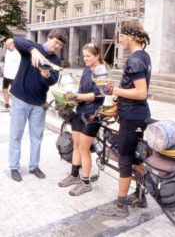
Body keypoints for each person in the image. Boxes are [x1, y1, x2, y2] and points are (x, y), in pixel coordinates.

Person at [99, 20, 151, 217]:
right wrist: (119, 95)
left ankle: (121, 206)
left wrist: (113, 89)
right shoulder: (143, 56)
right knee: (136, 157)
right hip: (138, 115)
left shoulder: (135, 59)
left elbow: (140, 93)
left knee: (126, 159)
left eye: (121, 35)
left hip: (132, 117)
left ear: (130, 36)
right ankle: (140, 195)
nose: (119, 38)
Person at [8, 29, 68, 182]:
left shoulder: (56, 60)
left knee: (36, 137)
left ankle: (34, 166)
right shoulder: (32, 48)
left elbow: (54, 80)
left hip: (39, 103)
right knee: (16, 135)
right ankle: (14, 167)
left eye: (60, 45)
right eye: (56, 42)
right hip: (20, 98)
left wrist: (47, 76)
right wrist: (33, 50)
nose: (57, 47)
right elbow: (17, 40)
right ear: (49, 38)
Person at [58, 43, 105, 196]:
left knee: (84, 149)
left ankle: (86, 183)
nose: (85, 59)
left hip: (92, 114)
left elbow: (98, 95)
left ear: (97, 55)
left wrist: (77, 97)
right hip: (80, 112)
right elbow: (81, 90)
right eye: (84, 56)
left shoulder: (102, 71)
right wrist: (71, 100)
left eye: (88, 56)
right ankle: (74, 175)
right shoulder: (86, 69)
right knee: (77, 145)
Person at [1, 38, 21, 112]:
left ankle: (14, 108)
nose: (7, 46)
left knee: (14, 93)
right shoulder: (8, 51)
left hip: (14, 76)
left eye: (8, 45)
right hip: (6, 75)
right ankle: (6, 106)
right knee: (4, 90)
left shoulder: (18, 53)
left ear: (13, 44)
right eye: (6, 45)